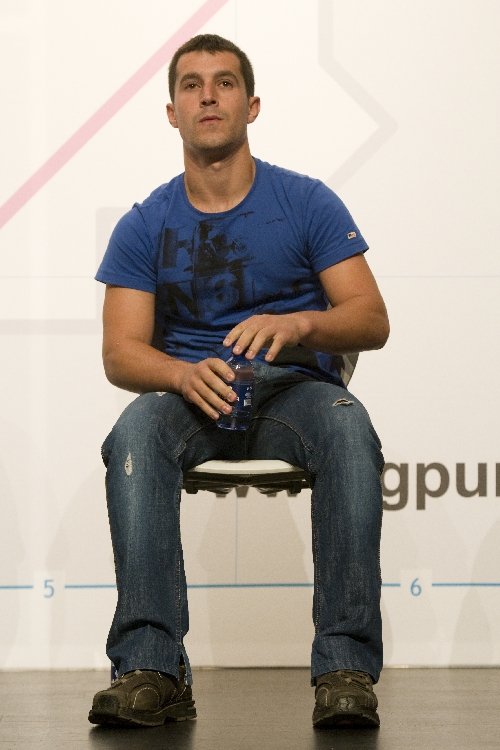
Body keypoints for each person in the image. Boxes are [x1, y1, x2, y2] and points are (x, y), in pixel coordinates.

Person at [88, 34, 389, 729]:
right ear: (172, 112)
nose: (208, 96)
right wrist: (179, 372)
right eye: (191, 85)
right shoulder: (144, 223)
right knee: (134, 432)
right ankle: (151, 668)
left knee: (348, 425)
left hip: (293, 393)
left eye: (224, 82)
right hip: (191, 395)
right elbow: (120, 353)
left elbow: (371, 319)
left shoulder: (307, 202)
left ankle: (344, 668)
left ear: (251, 105)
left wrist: (302, 324)